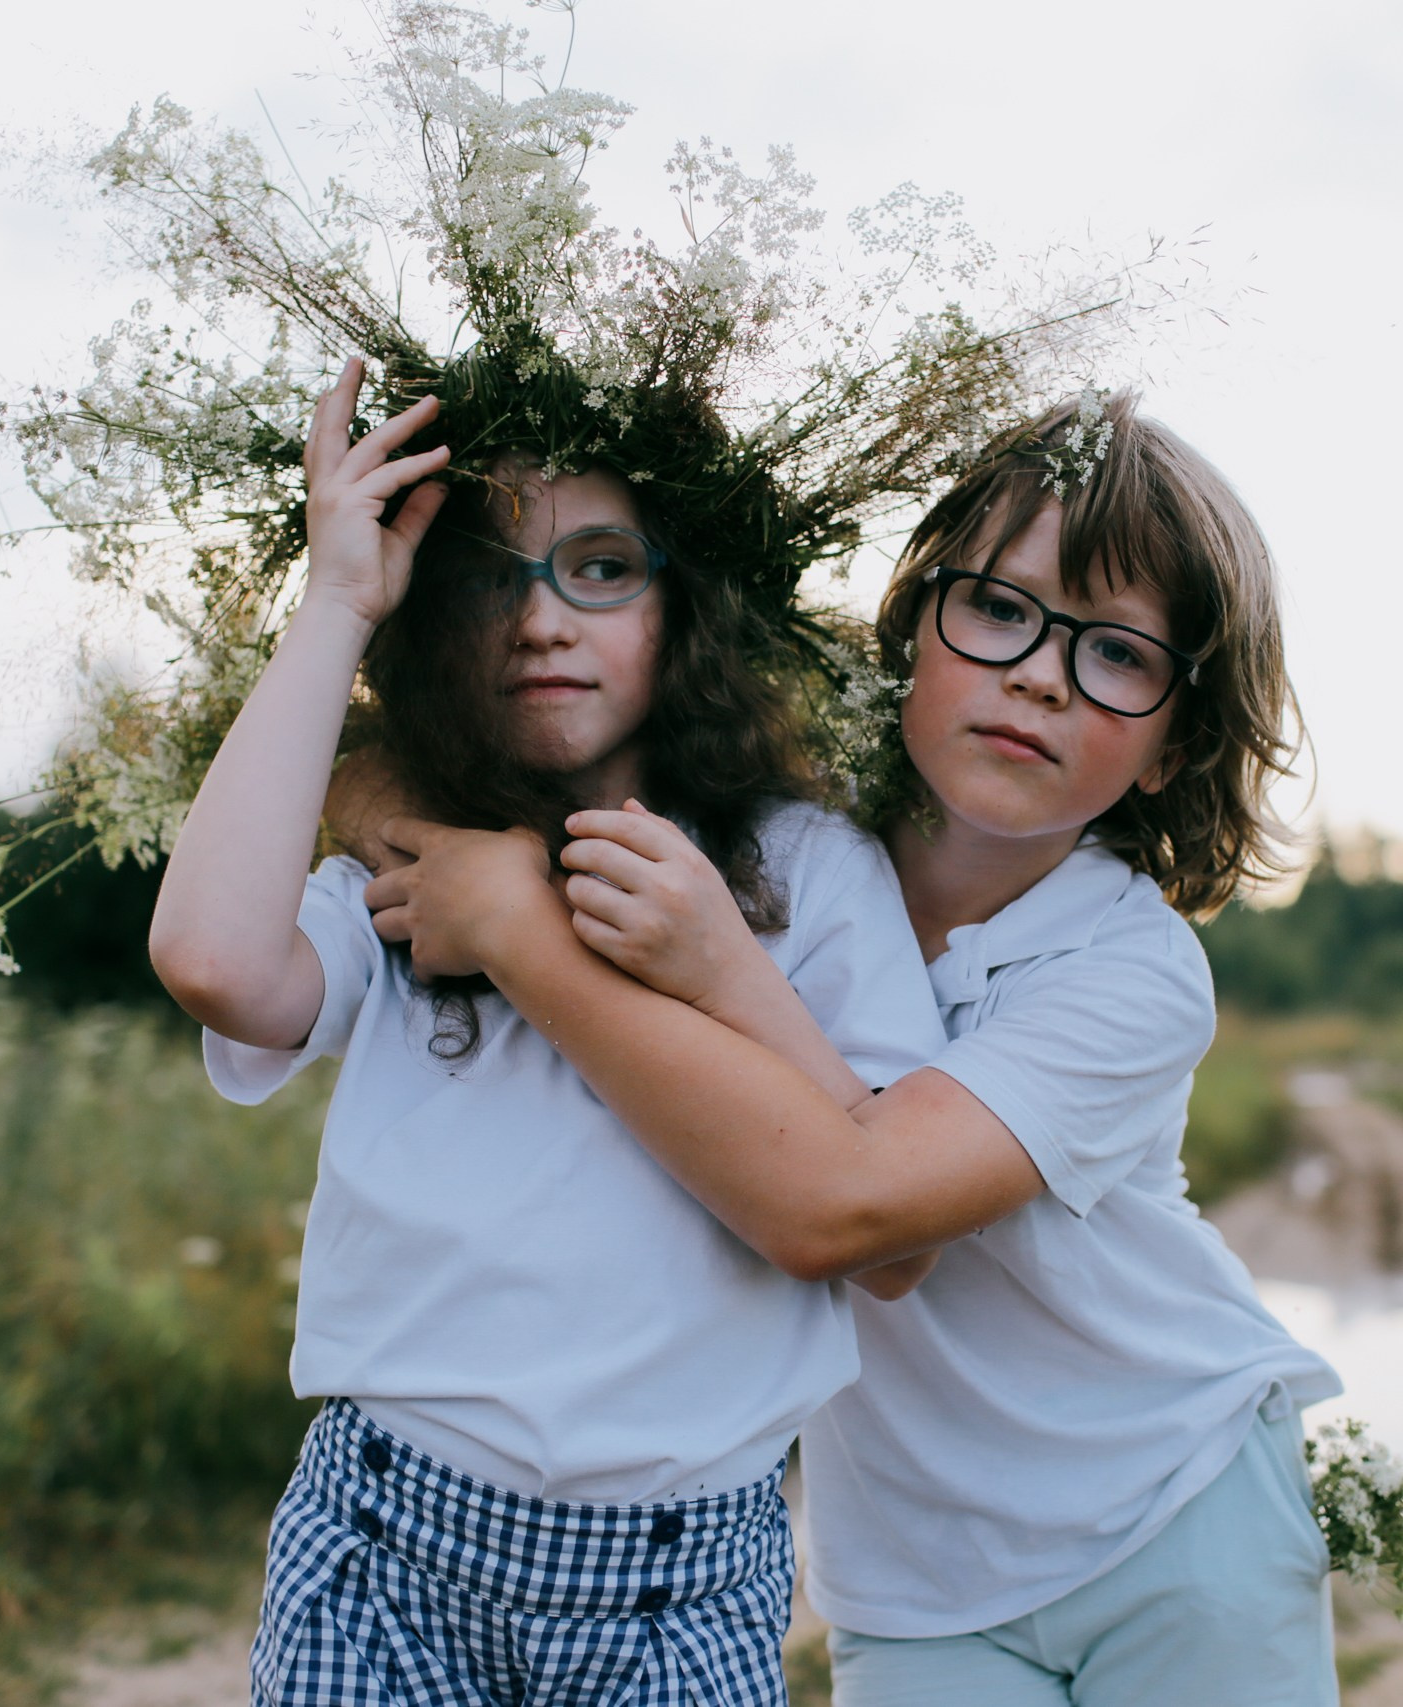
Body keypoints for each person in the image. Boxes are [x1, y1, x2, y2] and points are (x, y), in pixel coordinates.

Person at [364, 393, 1345, 1706]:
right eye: (998, 609)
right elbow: (458, 775)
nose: (1040, 675)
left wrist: (718, 968)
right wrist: (375, 773)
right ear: (912, 627)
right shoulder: (782, 844)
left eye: (1118, 653)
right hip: (914, 1577)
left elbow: (867, 1213)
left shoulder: (1130, 968)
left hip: (1174, 1510)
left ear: (1176, 744)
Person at [147, 358, 944, 1707]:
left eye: (601, 569)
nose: (538, 620)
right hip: (385, 1550)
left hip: (677, 1592)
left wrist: (691, 967)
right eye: (487, 579)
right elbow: (216, 963)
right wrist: (335, 601)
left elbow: (893, 1227)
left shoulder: (808, 870)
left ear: (683, 604)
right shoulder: (414, 859)